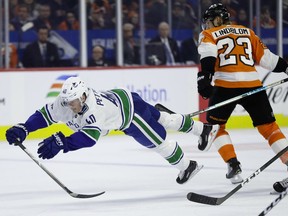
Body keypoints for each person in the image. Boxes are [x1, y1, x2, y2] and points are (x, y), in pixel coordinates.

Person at [5, 76, 219, 185]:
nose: (70, 106)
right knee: (163, 119)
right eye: (68, 101)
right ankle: (203, 129)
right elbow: (43, 116)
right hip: (122, 96)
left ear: (83, 95)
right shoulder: (65, 101)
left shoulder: (93, 110)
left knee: (157, 142)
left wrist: (64, 143)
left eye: (74, 102)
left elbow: (90, 138)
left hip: (130, 115)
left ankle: (187, 166)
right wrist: (25, 128)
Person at [197, 3, 288, 184]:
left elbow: (208, 57)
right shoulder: (247, 32)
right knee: (269, 127)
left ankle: (233, 164)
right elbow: (267, 60)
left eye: (208, 21)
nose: (206, 26)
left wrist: (205, 79)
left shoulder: (208, 34)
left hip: (225, 87)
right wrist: (286, 68)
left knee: (216, 127)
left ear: (217, 20)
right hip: (253, 85)